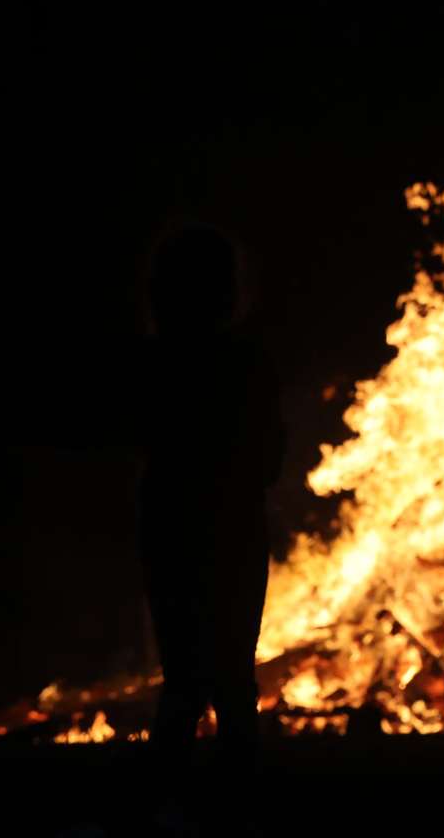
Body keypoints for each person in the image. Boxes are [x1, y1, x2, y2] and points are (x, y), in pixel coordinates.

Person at [137, 224, 284, 818]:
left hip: (169, 527)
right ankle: (236, 812)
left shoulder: (154, 364)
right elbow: (269, 456)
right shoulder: (245, 363)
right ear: (228, 290)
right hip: (233, 533)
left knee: (183, 683)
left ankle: (162, 810)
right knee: (232, 682)